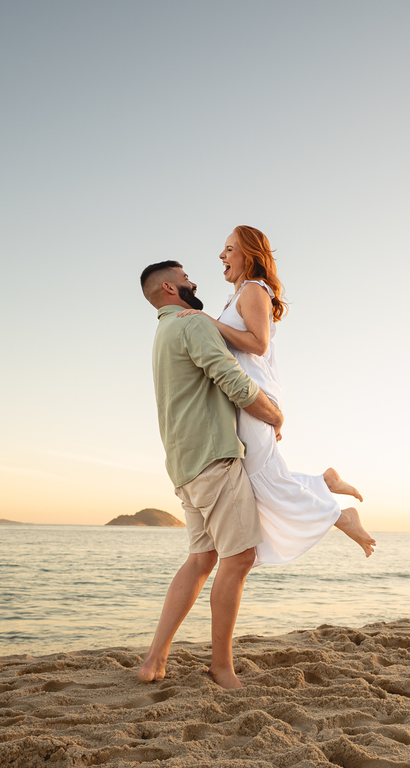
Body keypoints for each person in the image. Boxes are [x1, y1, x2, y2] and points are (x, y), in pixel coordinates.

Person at [176, 226, 376, 563]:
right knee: (258, 476)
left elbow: (258, 343)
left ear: (248, 254)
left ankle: (341, 517)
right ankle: (324, 481)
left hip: (254, 392)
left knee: (259, 477)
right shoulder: (237, 295)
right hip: (241, 394)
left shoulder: (254, 289)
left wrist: (208, 322)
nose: (222, 256)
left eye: (229, 249)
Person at [137, 260, 285, 689]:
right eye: (186, 279)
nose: (194, 282)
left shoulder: (163, 332)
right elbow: (232, 381)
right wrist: (274, 414)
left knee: (202, 559)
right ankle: (221, 666)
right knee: (239, 558)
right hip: (213, 458)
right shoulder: (192, 325)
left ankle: (154, 660)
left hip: (183, 464)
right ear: (169, 287)